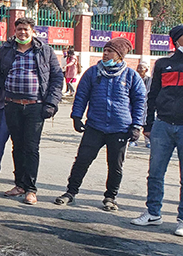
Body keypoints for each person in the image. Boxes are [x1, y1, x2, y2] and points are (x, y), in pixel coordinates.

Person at [55, 38, 145, 211]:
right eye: (104, 50)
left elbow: (140, 102)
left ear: (119, 55)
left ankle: (110, 197)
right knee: (82, 160)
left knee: (115, 166)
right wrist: (76, 116)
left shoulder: (131, 76)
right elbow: (81, 95)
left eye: (110, 51)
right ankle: (70, 192)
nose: (105, 54)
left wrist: (136, 125)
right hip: (95, 126)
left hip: (120, 129)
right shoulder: (92, 72)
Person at [0, 17, 63, 205]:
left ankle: (30, 189)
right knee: (17, 146)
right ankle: (19, 185)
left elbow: (57, 78)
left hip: (35, 106)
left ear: (33, 32)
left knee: (31, 147)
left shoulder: (45, 51)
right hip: (12, 104)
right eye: (19, 29)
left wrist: (51, 104)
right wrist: (8, 86)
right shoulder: (6, 50)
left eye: (26, 29)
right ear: (14, 31)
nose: (22, 32)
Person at [131, 25, 183, 236]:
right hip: (162, 124)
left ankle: (182, 220)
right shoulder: (163, 64)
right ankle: (153, 212)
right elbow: (152, 95)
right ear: (177, 40)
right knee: (155, 172)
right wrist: (148, 124)